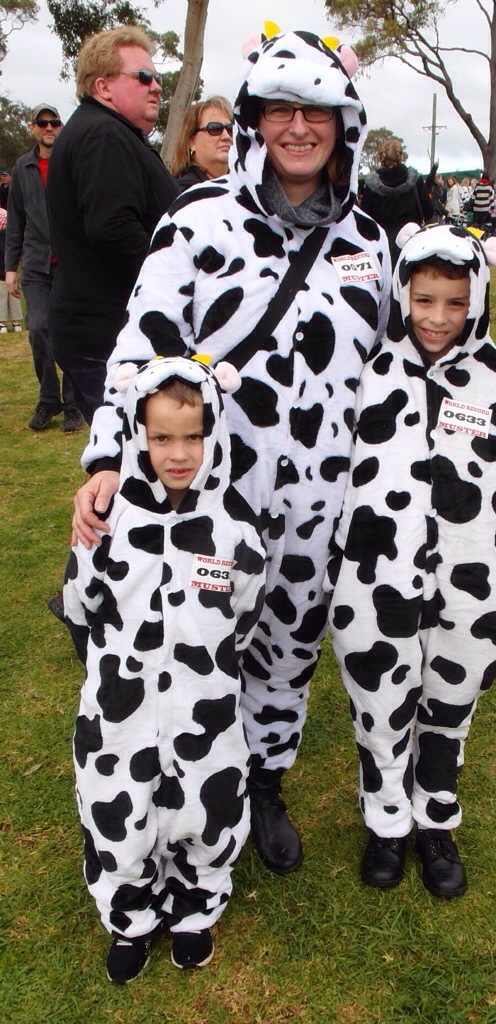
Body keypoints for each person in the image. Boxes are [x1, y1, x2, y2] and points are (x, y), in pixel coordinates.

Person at [71, 27, 391, 877]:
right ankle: (184, 789)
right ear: (254, 119)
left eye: (316, 110)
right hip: (210, 500)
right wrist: (107, 459)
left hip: (322, 505)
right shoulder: (196, 220)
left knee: (289, 647)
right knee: (198, 649)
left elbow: (393, 375)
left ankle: (263, 784)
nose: (298, 127)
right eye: (280, 109)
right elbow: (140, 347)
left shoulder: (370, 243)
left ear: (343, 122)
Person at [327, 222, 496, 897]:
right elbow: (339, 477)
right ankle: (387, 820)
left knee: (448, 706)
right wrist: (339, 566)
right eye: (424, 300)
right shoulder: (373, 374)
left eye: (454, 302)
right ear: (403, 295)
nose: (438, 318)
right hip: (376, 579)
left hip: (472, 583)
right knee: (380, 705)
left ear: (476, 300)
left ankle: (435, 818)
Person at [63, 355, 265, 984]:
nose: (179, 454)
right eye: (161, 437)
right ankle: (129, 917)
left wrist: (206, 666)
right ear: (137, 435)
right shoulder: (110, 518)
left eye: (193, 436)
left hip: (206, 705)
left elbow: (245, 613)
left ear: (214, 434)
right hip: (119, 708)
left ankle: (196, 909)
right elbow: (80, 602)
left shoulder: (234, 529)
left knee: (210, 805)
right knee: (117, 808)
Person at [46, 25, 179, 425]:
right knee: (130, 453)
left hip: (104, 332)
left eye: (156, 76)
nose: (156, 86)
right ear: (103, 87)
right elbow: (112, 228)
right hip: (108, 338)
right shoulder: (103, 134)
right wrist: (173, 283)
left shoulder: (109, 132)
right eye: (143, 76)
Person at [5, 104, 83, 432]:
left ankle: (73, 404)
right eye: (42, 122)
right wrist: (10, 267)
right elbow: (16, 220)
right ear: (33, 128)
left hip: (69, 265)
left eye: (54, 122)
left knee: (68, 333)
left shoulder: (72, 162)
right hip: (35, 265)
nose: (49, 127)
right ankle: (48, 399)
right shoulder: (22, 167)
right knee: (37, 329)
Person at [360, 137, 434, 264]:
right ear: (400, 156)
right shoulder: (415, 180)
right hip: (410, 244)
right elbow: (428, 211)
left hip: (381, 246)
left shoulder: (372, 185)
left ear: (381, 157)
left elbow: (364, 219)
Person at [168, 95, 233, 190]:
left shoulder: (246, 190)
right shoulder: (181, 193)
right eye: (215, 128)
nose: (226, 136)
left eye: (230, 129)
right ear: (191, 141)